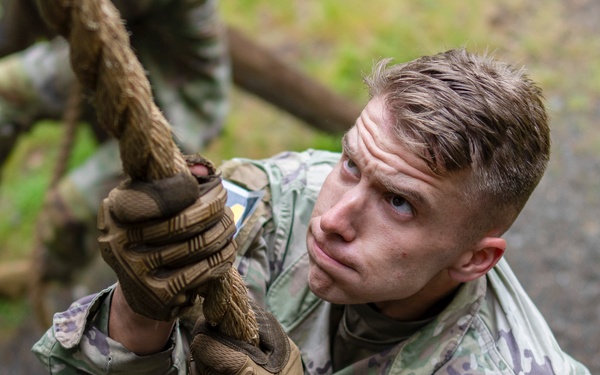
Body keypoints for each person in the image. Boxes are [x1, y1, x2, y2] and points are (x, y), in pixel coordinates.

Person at [32, 49, 591, 374]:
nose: (332, 219)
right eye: (350, 164)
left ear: (476, 259)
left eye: (399, 203)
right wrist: (137, 316)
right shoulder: (273, 202)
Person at [0, 0, 230, 283]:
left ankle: (64, 282)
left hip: (179, 107)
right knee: (5, 89)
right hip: (114, 56)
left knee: (67, 209)